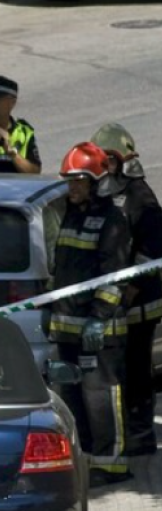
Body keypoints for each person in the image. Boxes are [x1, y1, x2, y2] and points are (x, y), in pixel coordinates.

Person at [49, 142, 132, 487]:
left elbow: (113, 275)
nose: (72, 188)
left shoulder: (112, 220)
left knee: (100, 397)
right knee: (72, 398)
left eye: (79, 181)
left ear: (96, 182)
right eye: (69, 181)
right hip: (68, 328)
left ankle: (111, 463)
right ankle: (84, 461)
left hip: (98, 329)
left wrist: (99, 317)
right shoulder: (70, 214)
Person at [91, 123, 162, 456]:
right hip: (123, 301)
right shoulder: (110, 192)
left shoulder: (140, 197)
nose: (103, 166)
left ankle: (141, 434)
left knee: (136, 369)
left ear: (120, 159)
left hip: (141, 303)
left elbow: (154, 248)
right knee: (122, 370)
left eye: (107, 158)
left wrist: (133, 287)